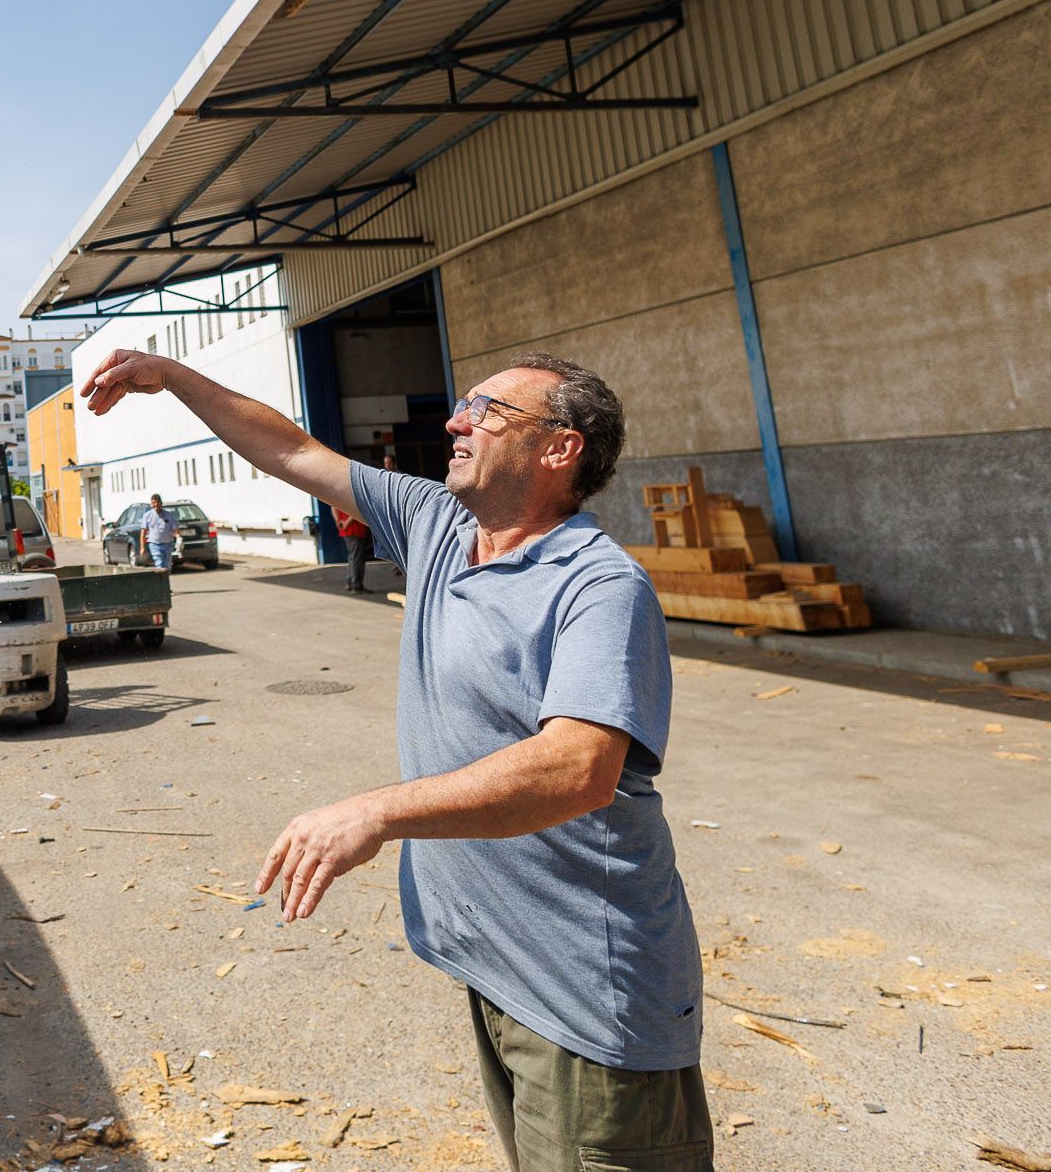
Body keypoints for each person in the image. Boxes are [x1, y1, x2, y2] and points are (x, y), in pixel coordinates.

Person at [80, 348, 708, 1171]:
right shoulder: (442, 527)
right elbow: (293, 451)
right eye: (463, 405)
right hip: (500, 969)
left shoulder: (596, 584)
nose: (455, 421)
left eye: (488, 412)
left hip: (586, 987)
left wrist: (376, 811)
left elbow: (578, 767)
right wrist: (175, 377)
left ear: (560, 450)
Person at [333, 502, 374, 592]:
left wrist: (338, 521)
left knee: (352, 557)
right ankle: (356, 585)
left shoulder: (338, 493)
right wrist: (347, 523)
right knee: (357, 558)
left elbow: (333, 507)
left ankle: (350, 582)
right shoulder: (353, 493)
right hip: (355, 529)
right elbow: (357, 510)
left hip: (345, 529)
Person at [141, 494, 178, 571]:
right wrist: (142, 547)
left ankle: (165, 580)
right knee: (159, 564)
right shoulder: (147, 515)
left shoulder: (168, 515)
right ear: (151, 504)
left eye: (158, 502)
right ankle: (161, 581)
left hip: (168, 543)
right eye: (154, 502)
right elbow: (143, 532)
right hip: (154, 544)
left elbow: (175, 529)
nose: (156, 505)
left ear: (161, 503)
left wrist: (179, 538)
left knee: (167, 565)